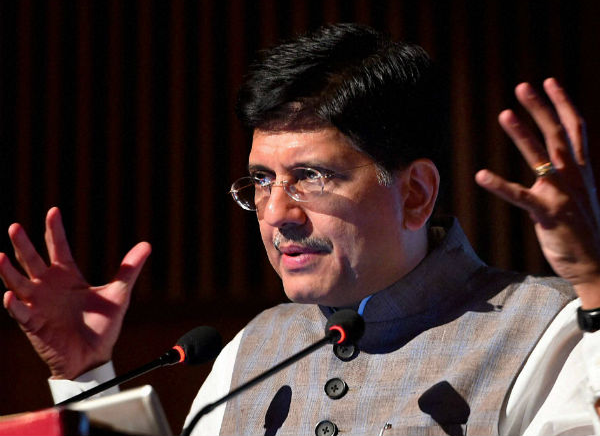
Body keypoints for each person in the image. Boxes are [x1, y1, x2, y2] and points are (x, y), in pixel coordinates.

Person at [1, 23, 600, 435]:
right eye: (262, 181)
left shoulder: (553, 330)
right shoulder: (250, 351)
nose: (275, 213)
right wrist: (86, 378)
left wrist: (595, 286)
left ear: (415, 193)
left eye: (311, 177)